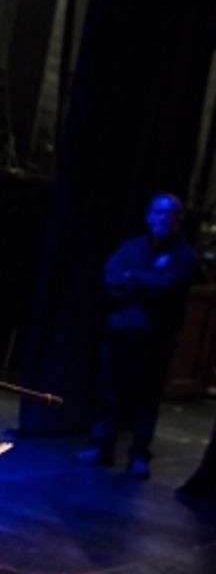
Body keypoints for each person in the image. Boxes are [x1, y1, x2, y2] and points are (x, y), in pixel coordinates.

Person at [75, 192, 201, 478]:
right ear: (147, 216)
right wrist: (143, 283)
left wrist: (134, 278)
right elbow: (110, 278)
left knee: (146, 398)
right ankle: (102, 446)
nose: (162, 218)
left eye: (169, 214)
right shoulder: (131, 247)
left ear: (179, 219)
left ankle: (139, 455)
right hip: (119, 332)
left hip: (154, 339)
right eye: (157, 212)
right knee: (109, 393)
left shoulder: (184, 256)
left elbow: (167, 286)